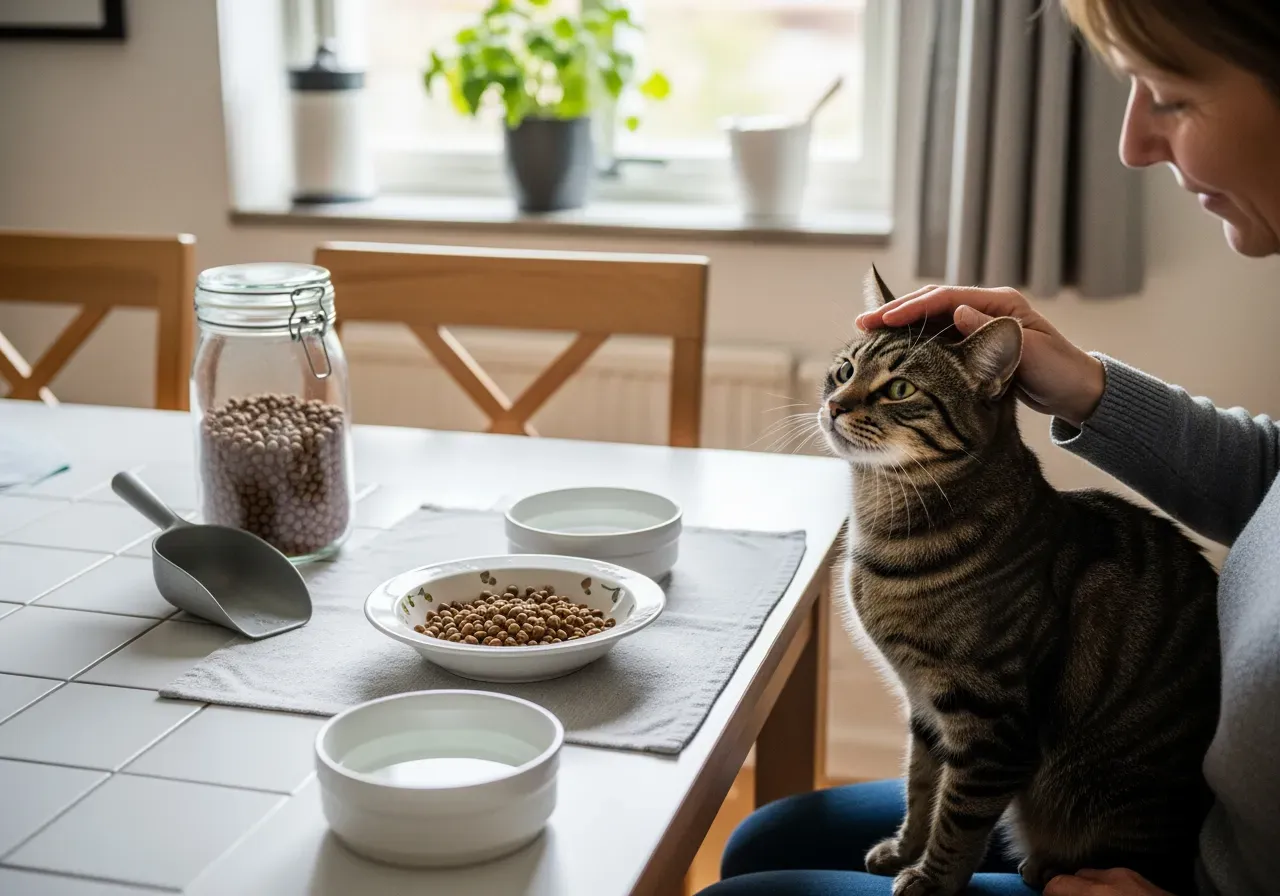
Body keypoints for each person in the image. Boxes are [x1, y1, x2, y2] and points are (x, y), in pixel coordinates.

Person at [699, 1, 1280, 894]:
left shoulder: (999, 554)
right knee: (762, 839)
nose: (1131, 144)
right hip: (1171, 806)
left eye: (1170, 95)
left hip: (1157, 855)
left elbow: (991, 722)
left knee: (752, 885)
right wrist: (1086, 384)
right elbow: (1269, 475)